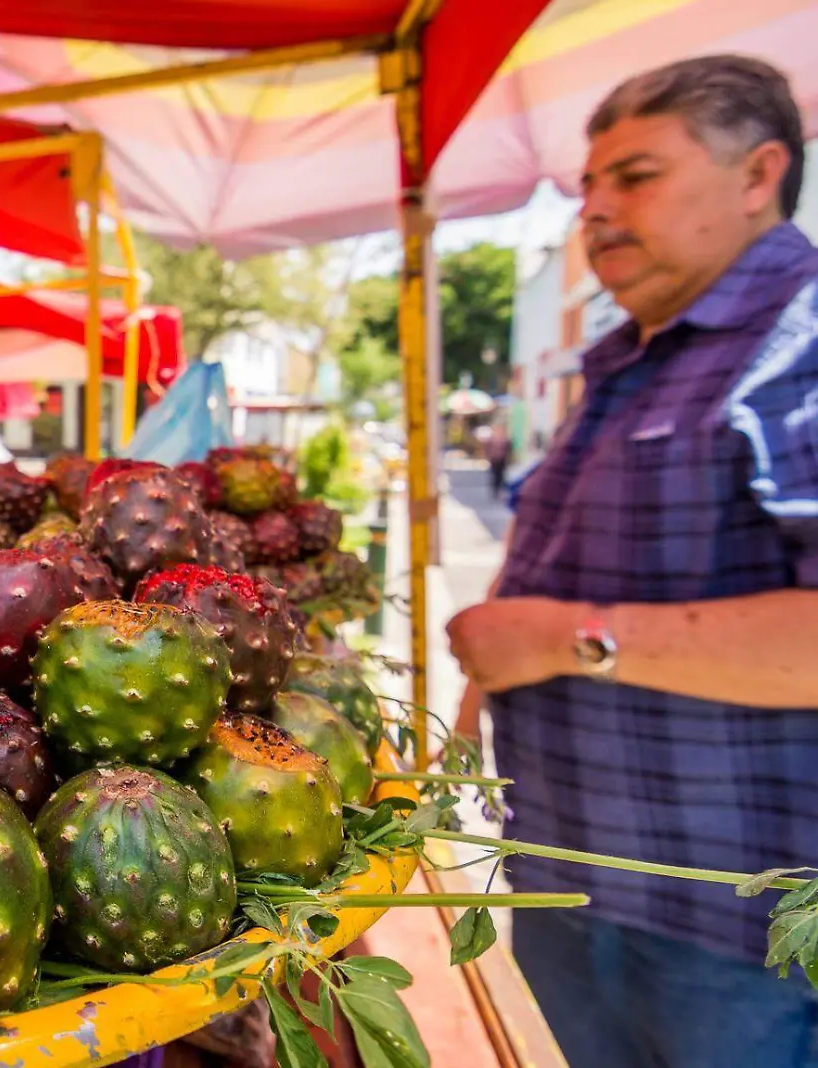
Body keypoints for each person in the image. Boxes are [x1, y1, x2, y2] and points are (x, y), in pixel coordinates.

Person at [446, 56, 818, 1067]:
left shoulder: (800, 341)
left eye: (635, 176)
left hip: (734, 934)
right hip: (575, 884)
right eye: (588, 187)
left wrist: (573, 642)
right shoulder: (630, 354)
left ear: (758, 175)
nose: (595, 211)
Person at [483, 420, 512, 500]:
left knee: (501, 476)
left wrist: (508, 458)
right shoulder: (492, 439)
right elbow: (487, 448)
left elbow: (509, 449)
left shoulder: (505, 439)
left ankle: (500, 490)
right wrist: (488, 457)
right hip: (494, 460)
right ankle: (495, 490)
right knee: (495, 475)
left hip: (502, 459)